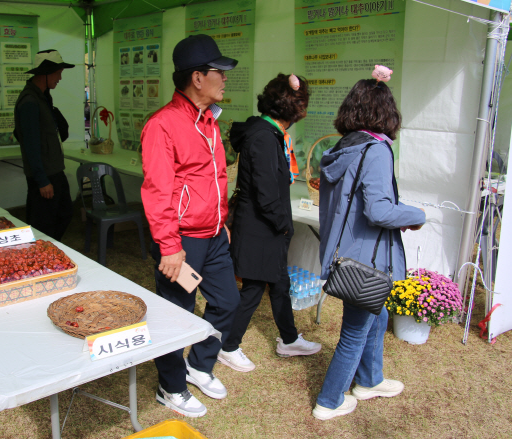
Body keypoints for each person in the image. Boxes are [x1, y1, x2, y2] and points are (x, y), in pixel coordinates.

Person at [312, 71, 426, 420]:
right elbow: (379, 210)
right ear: (387, 113)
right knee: (356, 331)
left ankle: (369, 380)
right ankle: (329, 401)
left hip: (346, 253)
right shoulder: (376, 151)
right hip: (366, 259)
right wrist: (416, 214)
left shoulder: (341, 147)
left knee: (375, 319)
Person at [140, 34, 241, 418]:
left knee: (227, 302)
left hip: (213, 235)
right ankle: (171, 386)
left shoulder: (209, 120)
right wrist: (168, 245)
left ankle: (198, 365)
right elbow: (157, 190)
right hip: (181, 240)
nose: (225, 78)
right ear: (197, 78)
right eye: (220, 71)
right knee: (175, 313)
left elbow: (211, 178)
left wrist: (220, 220)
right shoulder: (163, 125)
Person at [217, 74, 321, 373]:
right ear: (293, 110)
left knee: (279, 282)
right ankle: (228, 345)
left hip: (266, 225)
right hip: (261, 227)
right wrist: (283, 224)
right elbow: (264, 192)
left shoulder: (266, 132)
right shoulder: (263, 136)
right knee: (252, 289)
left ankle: (288, 339)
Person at [14, 49, 75, 241]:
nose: (60, 78)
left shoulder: (42, 97)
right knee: (43, 223)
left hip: (53, 170)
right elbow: (30, 144)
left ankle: (50, 249)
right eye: (58, 73)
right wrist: (42, 180)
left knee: (64, 213)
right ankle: (43, 255)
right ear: (46, 73)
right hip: (45, 175)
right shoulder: (30, 102)